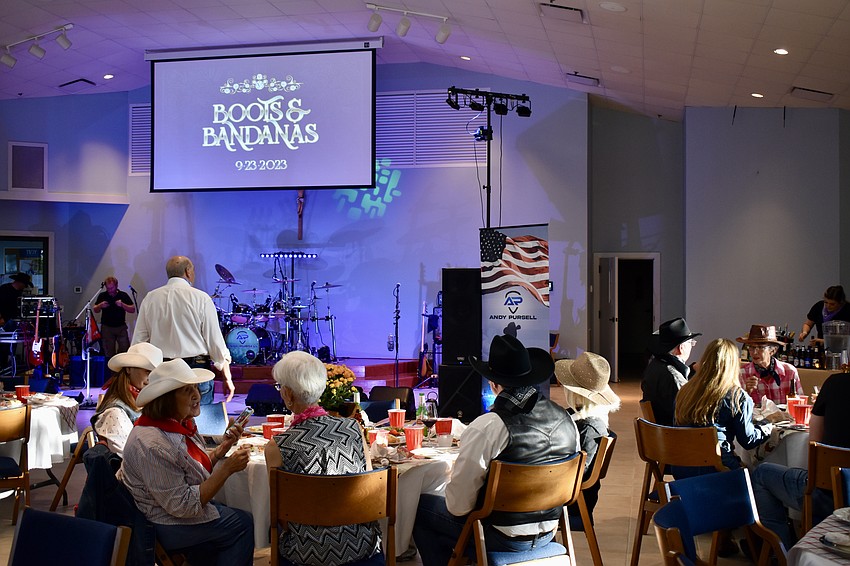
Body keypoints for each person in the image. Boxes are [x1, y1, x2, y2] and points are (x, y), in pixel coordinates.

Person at [413, 334, 580, 566]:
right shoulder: (567, 420)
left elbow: (459, 507)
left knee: (420, 507)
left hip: (500, 536)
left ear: (493, 384)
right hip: (550, 530)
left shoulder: (488, 426)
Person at [117, 359, 253, 565]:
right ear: (167, 399)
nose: (197, 395)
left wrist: (222, 448)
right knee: (242, 523)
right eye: (186, 391)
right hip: (160, 523)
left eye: (195, 388)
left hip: (169, 511)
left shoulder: (177, 424)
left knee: (227, 513)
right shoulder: (153, 444)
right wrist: (226, 470)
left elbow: (190, 467)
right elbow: (183, 507)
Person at [264, 351, 382, 566]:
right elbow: (367, 489)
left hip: (306, 552)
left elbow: (280, 516)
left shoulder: (277, 446)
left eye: (280, 387)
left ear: (288, 394)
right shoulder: (353, 429)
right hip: (360, 546)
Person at [752, 371, 850, 548]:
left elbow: (814, 441)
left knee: (761, 473)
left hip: (826, 495)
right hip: (837, 493)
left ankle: (782, 552)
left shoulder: (836, 383)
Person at [132, 256, 234, 403]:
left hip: (162, 372)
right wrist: (227, 377)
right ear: (187, 271)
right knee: (199, 423)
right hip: (197, 372)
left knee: (164, 423)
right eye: (193, 270)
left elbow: (139, 343)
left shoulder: (150, 299)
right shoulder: (201, 298)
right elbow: (215, 342)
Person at [676, 338, 772, 472]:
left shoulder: (685, 391)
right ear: (734, 364)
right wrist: (768, 426)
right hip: (719, 470)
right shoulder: (736, 396)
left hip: (682, 468)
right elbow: (748, 440)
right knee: (763, 473)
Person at [555, 351, 620, 526]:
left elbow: (580, 474)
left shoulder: (590, 429)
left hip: (572, 504)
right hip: (569, 496)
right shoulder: (584, 420)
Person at [91, 342, 162, 456]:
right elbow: (129, 456)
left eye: (156, 373)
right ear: (129, 369)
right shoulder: (114, 412)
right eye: (147, 371)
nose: (151, 378)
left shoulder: (151, 402)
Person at [641, 317, 700, 426]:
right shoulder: (674, 378)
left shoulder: (655, 365)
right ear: (681, 348)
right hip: (675, 436)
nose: (692, 346)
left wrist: (693, 370)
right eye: (691, 343)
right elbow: (689, 412)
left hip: (660, 432)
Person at [738, 324, 802, 405]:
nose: (754, 352)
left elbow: (800, 404)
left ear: (772, 351)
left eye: (760, 347)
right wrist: (746, 392)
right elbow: (736, 409)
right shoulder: (742, 373)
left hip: (784, 417)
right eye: (751, 347)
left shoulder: (789, 372)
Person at [93, 276, 135, 360]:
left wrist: (122, 304)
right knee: (108, 351)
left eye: (112, 288)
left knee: (124, 349)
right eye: (108, 288)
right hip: (107, 328)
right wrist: (100, 305)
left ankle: (122, 370)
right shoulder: (102, 295)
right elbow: (95, 309)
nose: (110, 290)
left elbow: (132, 309)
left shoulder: (123, 295)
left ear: (116, 286)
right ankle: (110, 371)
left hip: (121, 327)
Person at [0, 273, 33, 369]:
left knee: (12, 342)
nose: (24, 287)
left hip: (13, 320)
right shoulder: (4, 290)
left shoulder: (19, 293)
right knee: (5, 344)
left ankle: (9, 364)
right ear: (19, 283)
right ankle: (4, 364)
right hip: (4, 320)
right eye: (24, 284)